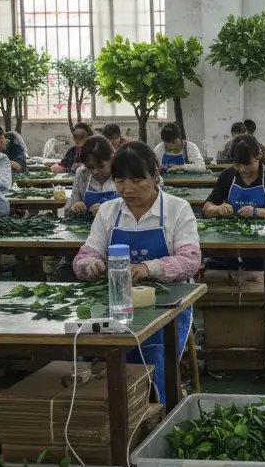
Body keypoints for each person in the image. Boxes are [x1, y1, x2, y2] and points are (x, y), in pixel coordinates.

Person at [73, 143, 200, 402]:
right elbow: (85, 255)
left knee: (153, 356)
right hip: (115, 303)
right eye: (119, 181)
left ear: (155, 175)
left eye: (137, 180)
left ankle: (158, 414)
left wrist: (146, 268)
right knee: (81, 350)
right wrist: (90, 266)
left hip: (168, 306)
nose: (127, 189)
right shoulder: (109, 211)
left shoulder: (177, 209)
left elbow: (190, 260)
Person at [203, 134, 265, 269]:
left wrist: (256, 212)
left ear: (259, 156)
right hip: (229, 242)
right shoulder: (227, 176)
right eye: (237, 165)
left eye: (247, 164)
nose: (242, 170)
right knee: (214, 266)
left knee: (261, 267)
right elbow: (206, 208)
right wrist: (217, 209)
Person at [65, 135, 119, 214]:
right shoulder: (82, 174)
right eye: (90, 168)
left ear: (112, 159)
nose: (95, 172)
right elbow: (68, 208)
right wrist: (74, 207)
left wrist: (107, 209)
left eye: (100, 166)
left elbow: (132, 207)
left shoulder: (121, 174)